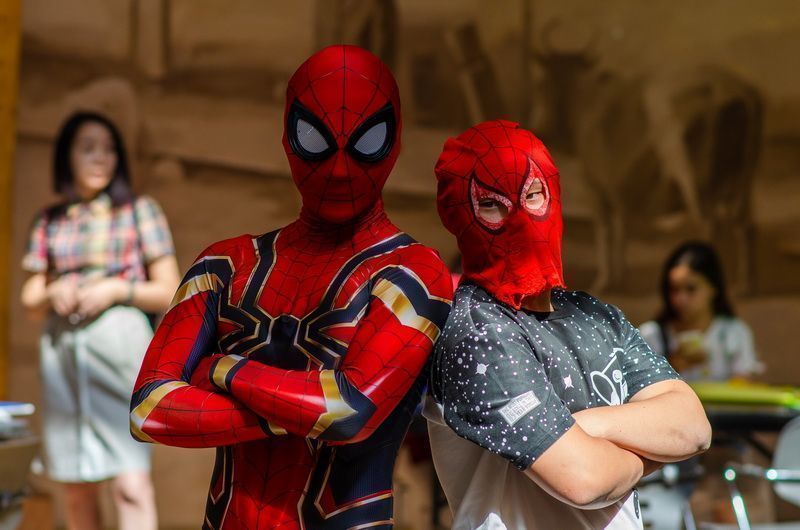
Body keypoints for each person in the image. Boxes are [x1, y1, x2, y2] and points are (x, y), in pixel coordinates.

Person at [130, 45, 452, 530]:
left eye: (366, 142)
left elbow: (350, 411)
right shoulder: (225, 264)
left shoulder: (413, 270)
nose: (339, 170)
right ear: (288, 136)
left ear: (395, 138)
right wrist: (300, 410)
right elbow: (149, 409)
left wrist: (223, 369)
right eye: (314, 139)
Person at [425, 119, 711, 529]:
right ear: (459, 216)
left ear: (554, 196)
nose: (519, 220)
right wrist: (651, 452)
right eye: (491, 205)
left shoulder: (594, 315)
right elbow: (584, 480)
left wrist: (579, 426)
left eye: (533, 195)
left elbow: (693, 427)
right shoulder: (477, 330)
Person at [20, 111, 180, 530]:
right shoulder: (50, 220)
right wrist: (54, 290)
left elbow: (170, 288)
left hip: (119, 352)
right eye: (88, 148)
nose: (100, 158)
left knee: (131, 485)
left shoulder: (139, 211)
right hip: (64, 356)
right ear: (67, 156)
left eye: (109, 149)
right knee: (75, 488)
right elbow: (30, 298)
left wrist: (115, 289)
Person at [639, 241, 762, 381]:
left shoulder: (733, 333)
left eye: (691, 289)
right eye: (674, 289)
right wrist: (672, 366)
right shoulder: (651, 335)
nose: (681, 299)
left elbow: (742, 384)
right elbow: (640, 387)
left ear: (713, 287)